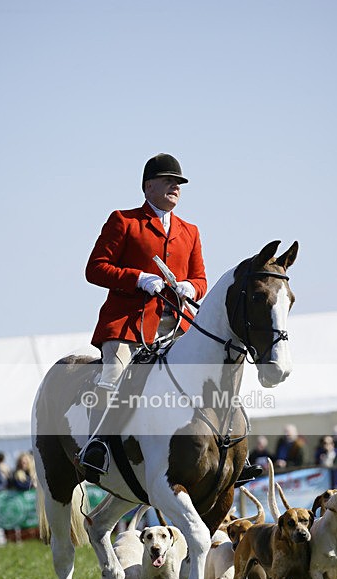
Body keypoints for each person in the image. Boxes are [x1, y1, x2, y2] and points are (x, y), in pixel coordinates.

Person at [78, 153, 262, 485]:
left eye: (178, 183)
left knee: (218, 375)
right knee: (115, 373)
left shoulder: (189, 231)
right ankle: (98, 447)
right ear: (148, 186)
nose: (176, 187)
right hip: (129, 322)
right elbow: (95, 269)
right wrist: (138, 279)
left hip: (178, 322)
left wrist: (191, 287)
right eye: (168, 181)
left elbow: (201, 279)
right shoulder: (124, 221)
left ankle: (236, 452)